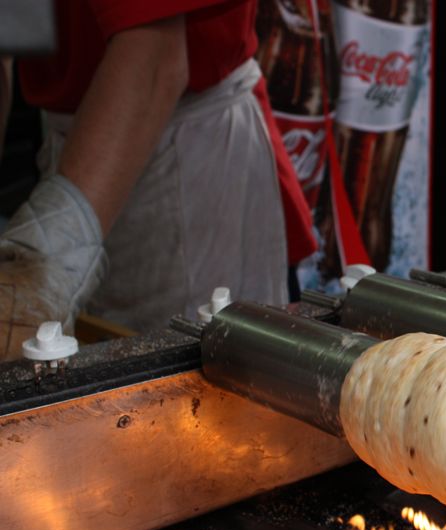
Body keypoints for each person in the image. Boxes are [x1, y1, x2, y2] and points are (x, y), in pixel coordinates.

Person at [0, 0, 317, 360]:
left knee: (202, 386)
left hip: (181, 150)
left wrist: (49, 254)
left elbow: (155, 56)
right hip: (74, 146)